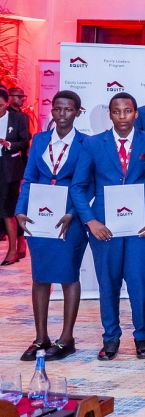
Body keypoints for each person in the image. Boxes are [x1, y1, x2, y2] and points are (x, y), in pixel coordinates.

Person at [70, 92, 145, 361]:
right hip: (104, 227)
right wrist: (91, 221)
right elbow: (78, 186)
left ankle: (142, 337)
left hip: (140, 227)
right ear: (109, 114)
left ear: (136, 113)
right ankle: (110, 339)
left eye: (128, 111)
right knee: (108, 284)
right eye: (117, 111)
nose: (123, 117)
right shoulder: (93, 144)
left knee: (139, 284)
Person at [14, 91, 88, 361]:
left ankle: (67, 339)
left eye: (68, 110)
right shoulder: (40, 140)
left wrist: (72, 212)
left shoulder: (85, 143)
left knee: (68, 275)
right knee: (40, 276)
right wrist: (20, 210)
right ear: (52, 111)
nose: (62, 114)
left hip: (70, 218)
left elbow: (85, 183)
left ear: (77, 112)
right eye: (58, 109)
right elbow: (29, 177)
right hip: (40, 216)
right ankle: (41, 338)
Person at [0, 87, 32, 264]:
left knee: (7, 209)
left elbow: (24, 141)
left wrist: (8, 144)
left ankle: (14, 250)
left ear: (6, 103)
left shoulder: (18, 118)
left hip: (9, 168)